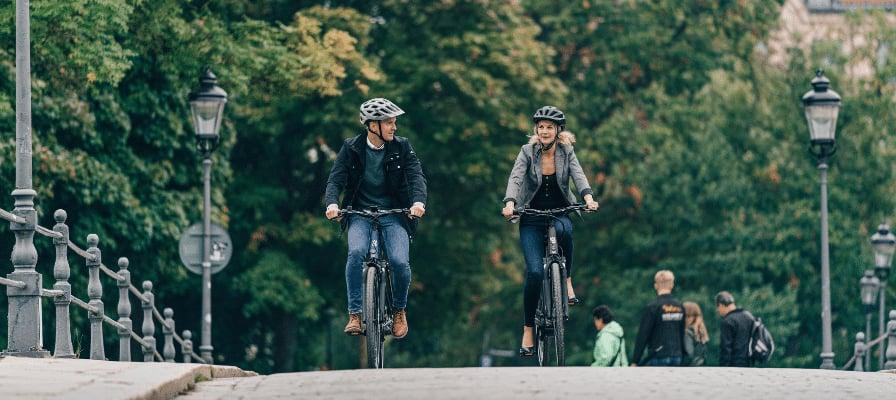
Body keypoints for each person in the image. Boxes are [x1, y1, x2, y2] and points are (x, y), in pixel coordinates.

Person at [324, 98, 427, 339]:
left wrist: (418, 202)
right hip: (360, 213)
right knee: (356, 253)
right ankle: (355, 314)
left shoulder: (402, 147)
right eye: (389, 123)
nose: (394, 127)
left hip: (394, 214)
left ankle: (399, 310)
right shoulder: (351, 148)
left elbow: (416, 176)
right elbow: (335, 179)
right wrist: (331, 203)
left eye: (394, 122)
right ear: (373, 125)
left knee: (400, 262)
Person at [501, 105, 599, 357]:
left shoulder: (567, 152)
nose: (544, 131)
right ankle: (528, 328)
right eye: (541, 127)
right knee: (534, 272)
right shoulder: (527, 152)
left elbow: (579, 176)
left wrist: (588, 197)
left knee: (566, 231)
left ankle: (566, 281)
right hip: (531, 216)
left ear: (558, 131)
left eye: (549, 127)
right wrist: (510, 203)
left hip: (559, 210)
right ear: (536, 130)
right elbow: (516, 177)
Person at [630, 270, 686, 366]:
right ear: (672, 285)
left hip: (658, 356)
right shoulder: (680, 306)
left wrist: (635, 360)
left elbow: (643, 335)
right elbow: (681, 333)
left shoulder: (652, 307)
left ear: (656, 285)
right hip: (677, 356)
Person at [715, 291, 754, 367]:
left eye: (718, 307)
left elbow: (726, 349)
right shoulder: (749, 316)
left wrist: (723, 369)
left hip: (734, 365)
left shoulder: (728, 321)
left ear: (721, 305)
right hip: (749, 364)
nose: (717, 310)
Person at [683, 301, 709, 366]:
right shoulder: (701, 332)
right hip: (700, 368)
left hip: (689, 370)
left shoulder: (687, 333)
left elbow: (689, 355)